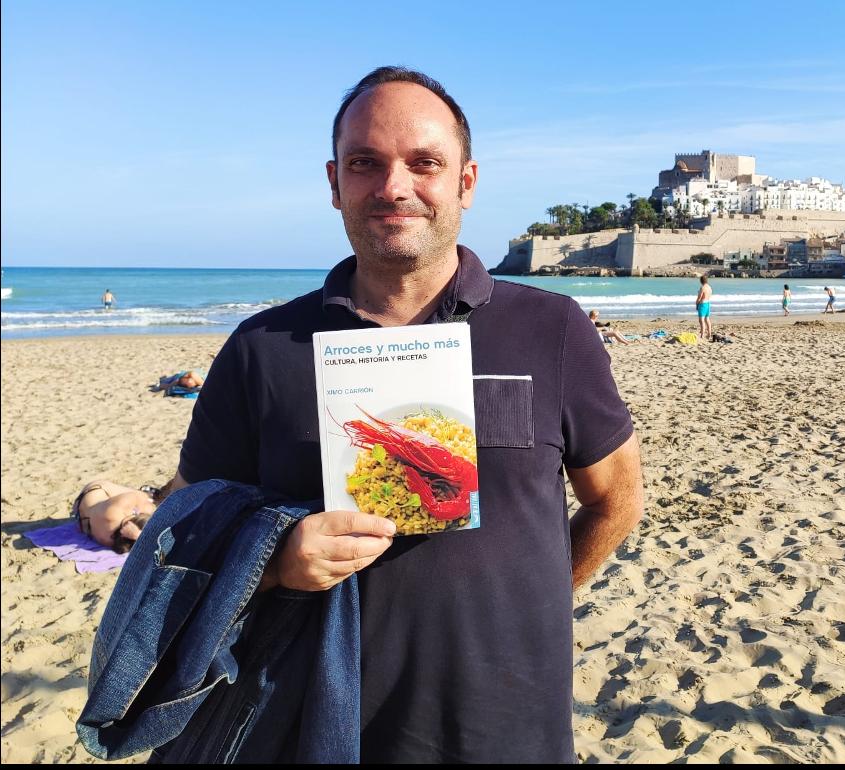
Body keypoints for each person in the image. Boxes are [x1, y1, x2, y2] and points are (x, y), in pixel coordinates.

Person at [141, 67, 643, 763]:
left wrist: (536, 605)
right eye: (365, 163)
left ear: (466, 181)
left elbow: (616, 497)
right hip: (305, 723)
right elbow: (189, 536)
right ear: (334, 182)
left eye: (424, 163)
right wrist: (276, 564)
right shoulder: (262, 349)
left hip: (506, 727)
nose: (393, 187)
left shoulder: (551, 329)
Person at [72, 480, 155, 553]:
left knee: (144, 497)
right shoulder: (112, 542)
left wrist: (142, 507)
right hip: (80, 518)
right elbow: (156, 548)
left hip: (92, 491)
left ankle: (148, 493)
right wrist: (138, 535)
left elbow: (141, 498)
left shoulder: (117, 510)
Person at [696, 275, 712, 339]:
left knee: (701, 320)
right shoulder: (709, 287)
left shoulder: (702, 288)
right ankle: (709, 333)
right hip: (708, 303)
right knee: (707, 319)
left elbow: (699, 298)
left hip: (702, 304)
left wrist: (697, 304)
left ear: (701, 281)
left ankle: (702, 335)